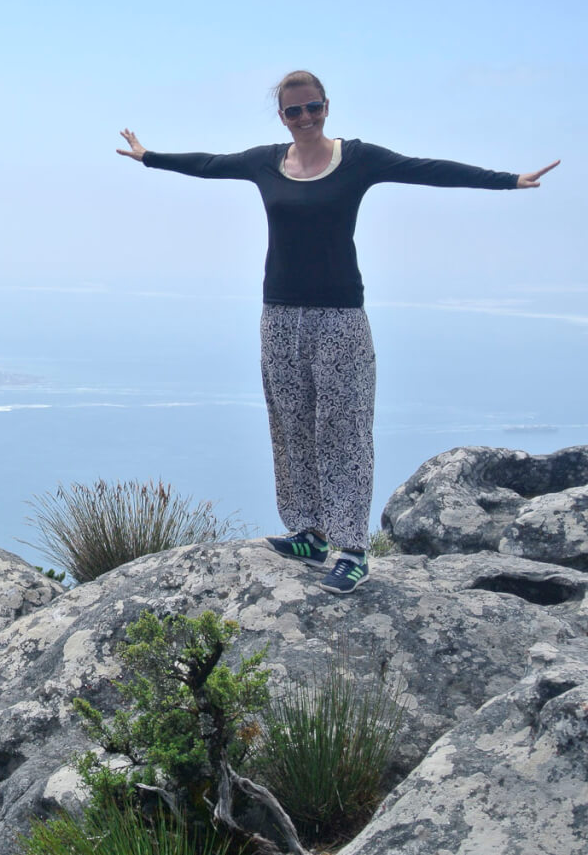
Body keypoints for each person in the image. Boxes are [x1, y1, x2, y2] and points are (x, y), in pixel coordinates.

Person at [116, 69, 558, 594]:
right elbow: (209, 165)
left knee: (344, 431)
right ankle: (310, 533)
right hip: (279, 314)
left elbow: (427, 170)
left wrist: (507, 180)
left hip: (340, 315)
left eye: (313, 108)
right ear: (282, 116)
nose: (305, 118)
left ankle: (351, 549)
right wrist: (150, 156)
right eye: (293, 111)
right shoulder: (266, 161)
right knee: (292, 424)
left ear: (327, 107)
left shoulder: (359, 159)